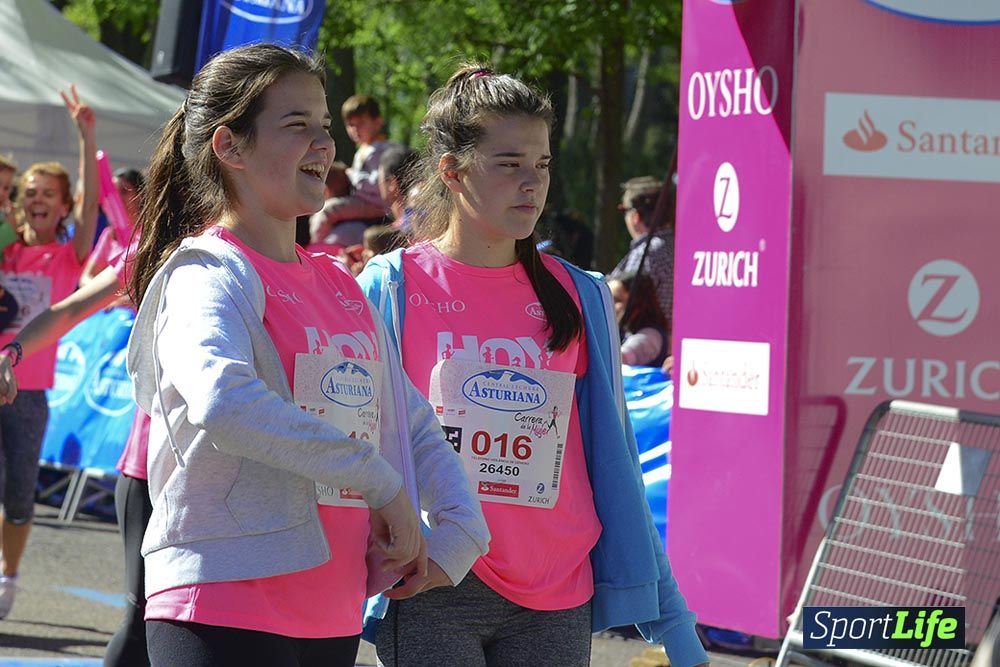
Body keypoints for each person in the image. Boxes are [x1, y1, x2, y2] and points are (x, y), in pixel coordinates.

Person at [123, 44, 486, 667]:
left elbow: (405, 417)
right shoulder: (207, 273)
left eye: (324, 127)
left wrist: (459, 530)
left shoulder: (341, 284)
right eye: (298, 127)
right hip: (221, 599)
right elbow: (224, 401)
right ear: (230, 147)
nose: (324, 146)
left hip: (332, 609)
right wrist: (379, 482)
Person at [358, 64, 707, 667]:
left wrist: (676, 626)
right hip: (435, 581)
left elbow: (615, 460)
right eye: (510, 163)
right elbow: (357, 443)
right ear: (453, 171)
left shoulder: (580, 293)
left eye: (542, 164)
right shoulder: (393, 286)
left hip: (556, 590)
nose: (532, 183)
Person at [0, 253, 148, 665]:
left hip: (240, 476)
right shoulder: (156, 242)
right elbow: (71, 309)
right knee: (144, 620)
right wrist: (12, 353)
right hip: (152, 468)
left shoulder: (287, 260)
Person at [0, 85, 99, 619]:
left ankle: (8, 576)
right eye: (30, 192)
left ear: (62, 206)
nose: (37, 199)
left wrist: (87, 135)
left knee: (17, 500)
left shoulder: (69, 254)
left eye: (48, 194)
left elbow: (90, 208)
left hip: (28, 395)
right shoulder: (5, 247)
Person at [308, 95, 399, 246]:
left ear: (377, 122)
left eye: (361, 123)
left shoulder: (381, 150)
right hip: (364, 201)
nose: (355, 130)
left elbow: (378, 183)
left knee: (328, 210)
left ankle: (316, 247)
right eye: (351, 125)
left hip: (376, 205)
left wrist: (352, 175)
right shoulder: (364, 150)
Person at [609, 176, 674, 322]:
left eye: (624, 210)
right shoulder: (682, 249)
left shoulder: (645, 254)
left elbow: (622, 303)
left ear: (635, 217)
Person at [80, 168, 144, 286]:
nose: (117, 198)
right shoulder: (109, 234)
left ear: (140, 195)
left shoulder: (149, 235)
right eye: (113, 192)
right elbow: (85, 277)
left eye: (124, 192)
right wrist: (106, 296)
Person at [607, 271, 670, 368]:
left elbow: (618, 359)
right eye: (606, 298)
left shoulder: (650, 336)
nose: (608, 304)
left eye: (616, 300)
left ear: (637, 304)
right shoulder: (625, 330)